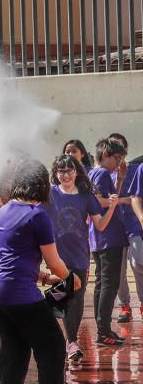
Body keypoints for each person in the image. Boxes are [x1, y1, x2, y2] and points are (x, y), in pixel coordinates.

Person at [0, 158, 83, 384]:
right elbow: (56, 263)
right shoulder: (38, 216)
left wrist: (41, 279)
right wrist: (71, 280)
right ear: (42, 185)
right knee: (52, 348)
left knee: (14, 353)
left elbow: (8, 256)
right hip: (18, 296)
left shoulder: (2, 212)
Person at [46, 154, 118, 360]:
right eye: (61, 171)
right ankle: (67, 337)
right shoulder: (50, 194)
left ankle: (71, 341)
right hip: (57, 256)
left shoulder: (85, 195)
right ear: (56, 174)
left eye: (69, 170)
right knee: (65, 296)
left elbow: (101, 225)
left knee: (75, 298)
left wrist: (111, 207)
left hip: (79, 256)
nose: (66, 175)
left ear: (76, 172)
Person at [88, 138, 128, 346]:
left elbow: (107, 197)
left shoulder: (93, 173)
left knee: (101, 283)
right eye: (117, 158)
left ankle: (102, 328)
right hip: (108, 236)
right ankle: (103, 330)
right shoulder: (102, 173)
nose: (119, 162)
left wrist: (120, 180)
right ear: (105, 155)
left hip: (98, 236)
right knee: (109, 285)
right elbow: (100, 201)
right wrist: (121, 200)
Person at [108, 134, 143, 324]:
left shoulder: (136, 169)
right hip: (113, 228)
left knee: (138, 263)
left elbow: (136, 197)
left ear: (126, 150)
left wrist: (119, 201)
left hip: (133, 226)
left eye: (120, 148)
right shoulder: (105, 173)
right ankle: (125, 305)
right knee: (118, 271)